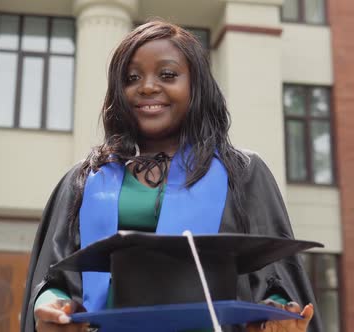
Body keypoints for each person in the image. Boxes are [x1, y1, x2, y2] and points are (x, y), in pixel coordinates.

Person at [20, 20, 322, 332]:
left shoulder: (241, 174)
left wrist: (275, 314)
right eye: (132, 77)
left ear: (196, 86)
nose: (147, 86)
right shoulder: (86, 179)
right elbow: (55, 278)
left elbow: (274, 278)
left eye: (167, 75)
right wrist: (50, 307)